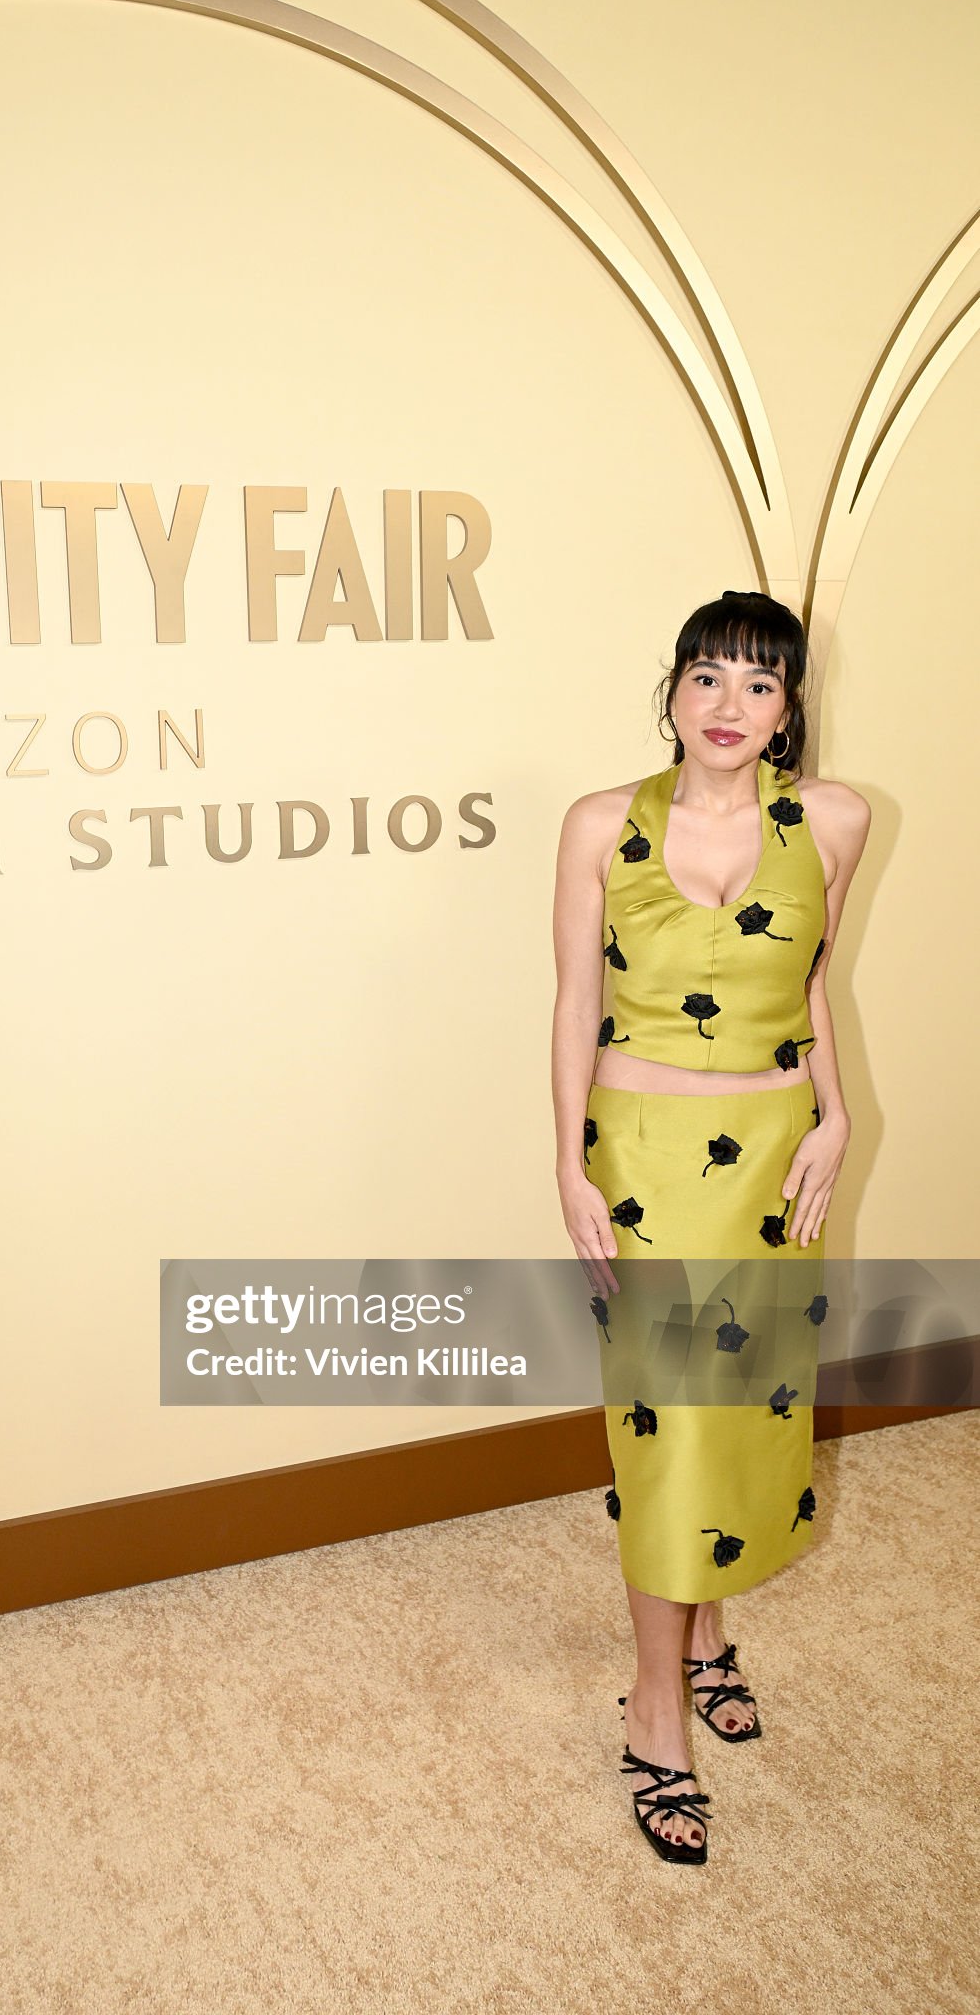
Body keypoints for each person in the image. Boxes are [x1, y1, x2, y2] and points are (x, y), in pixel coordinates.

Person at [550, 590, 871, 1864]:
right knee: (667, 1427)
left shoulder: (832, 821)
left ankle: (708, 1627)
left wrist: (837, 1114)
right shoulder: (599, 824)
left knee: (740, 1406)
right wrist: (568, 1162)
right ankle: (655, 1705)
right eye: (706, 676)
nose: (727, 704)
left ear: (787, 708)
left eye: (758, 682)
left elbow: (810, 982)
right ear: (672, 692)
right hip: (641, 1157)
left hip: (774, 1156)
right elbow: (573, 1001)